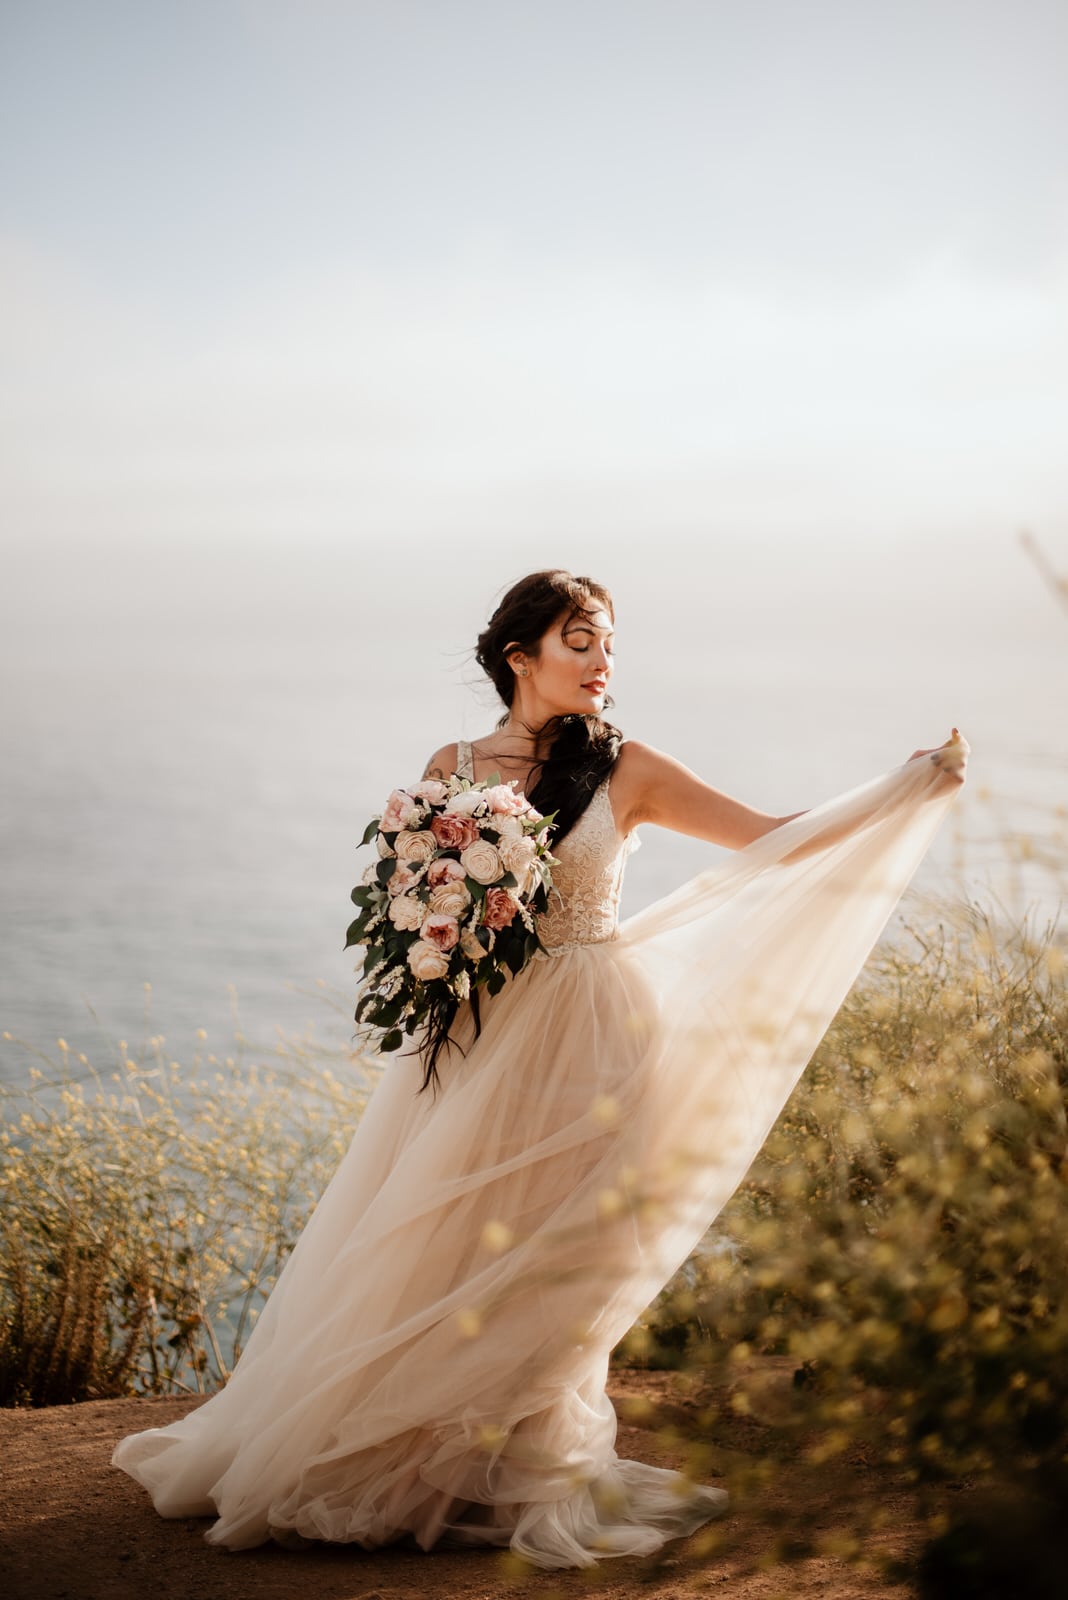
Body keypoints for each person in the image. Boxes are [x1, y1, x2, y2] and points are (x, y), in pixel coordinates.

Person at [111, 567, 968, 1570]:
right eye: (582, 640)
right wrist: (429, 942)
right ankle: (411, 1458)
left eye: (608, 643)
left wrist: (900, 791)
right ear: (520, 655)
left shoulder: (627, 767)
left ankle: (519, 1460)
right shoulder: (454, 762)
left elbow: (772, 841)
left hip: (599, 1034)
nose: (604, 662)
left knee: (569, 1248)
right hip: (482, 1031)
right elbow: (424, 897)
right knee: (446, 1236)